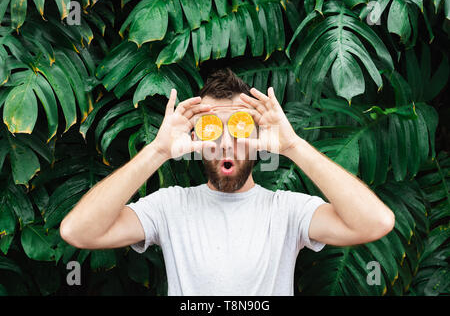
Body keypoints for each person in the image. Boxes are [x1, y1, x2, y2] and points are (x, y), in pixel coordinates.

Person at [60, 68, 395, 295]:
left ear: (256, 135)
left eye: (237, 128)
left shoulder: (286, 210)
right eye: (211, 129)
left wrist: (293, 146)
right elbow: (78, 231)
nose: (223, 142)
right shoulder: (169, 207)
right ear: (196, 138)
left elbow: (376, 222)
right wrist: (158, 151)